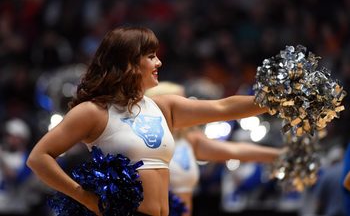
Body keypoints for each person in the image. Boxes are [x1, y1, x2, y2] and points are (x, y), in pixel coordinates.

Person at [26, 26, 272, 216]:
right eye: (151, 56)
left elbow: (223, 107)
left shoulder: (163, 106)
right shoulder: (94, 112)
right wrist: (86, 198)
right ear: (129, 62)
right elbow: (39, 158)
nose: (159, 62)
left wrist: (276, 100)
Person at [146, 81, 283, 216]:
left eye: (184, 100)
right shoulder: (144, 145)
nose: (186, 106)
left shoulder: (190, 140)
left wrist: (282, 154)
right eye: (179, 103)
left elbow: (235, 151)